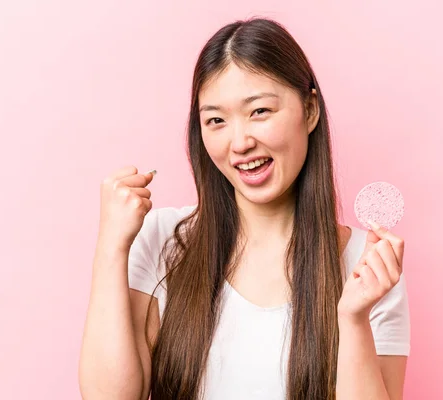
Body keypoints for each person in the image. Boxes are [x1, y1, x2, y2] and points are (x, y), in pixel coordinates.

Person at [78, 17, 410, 400]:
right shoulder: (161, 240)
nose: (239, 143)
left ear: (311, 111)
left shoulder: (369, 268)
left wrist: (352, 320)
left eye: (260, 112)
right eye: (216, 120)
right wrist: (110, 247)